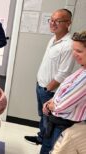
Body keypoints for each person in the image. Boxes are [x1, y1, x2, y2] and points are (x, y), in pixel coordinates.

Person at [24, 9, 75, 146]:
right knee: (42, 116)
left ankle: (46, 146)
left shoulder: (69, 45)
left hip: (49, 91)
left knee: (48, 121)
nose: (52, 23)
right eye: (51, 20)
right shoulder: (53, 38)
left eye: (57, 21)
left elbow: (62, 74)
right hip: (40, 85)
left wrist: (47, 89)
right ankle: (41, 138)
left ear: (68, 23)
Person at [40, 31, 86, 153]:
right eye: (73, 50)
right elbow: (63, 92)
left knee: (54, 149)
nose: (74, 54)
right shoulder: (82, 69)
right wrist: (51, 101)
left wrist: (51, 105)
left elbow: (63, 106)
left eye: (79, 51)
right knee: (47, 146)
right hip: (58, 121)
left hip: (64, 124)